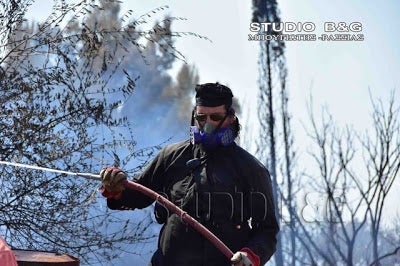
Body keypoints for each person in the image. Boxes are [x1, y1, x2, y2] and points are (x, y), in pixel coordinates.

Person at [100, 82, 279, 266]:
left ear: (231, 118)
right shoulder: (171, 156)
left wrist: (250, 255)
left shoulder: (250, 169)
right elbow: (136, 196)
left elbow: (268, 230)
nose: (207, 125)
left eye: (215, 117)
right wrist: (116, 187)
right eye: (202, 117)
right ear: (194, 115)